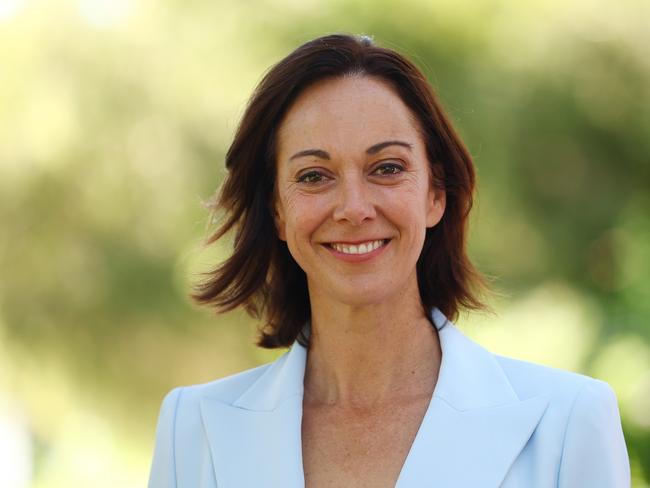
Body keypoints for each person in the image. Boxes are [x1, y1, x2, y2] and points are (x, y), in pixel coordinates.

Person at [147, 34, 630, 487]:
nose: (354, 208)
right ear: (276, 209)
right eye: (314, 176)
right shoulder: (194, 429)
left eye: (387, 168)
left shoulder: (569, 423)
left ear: (435, 194)